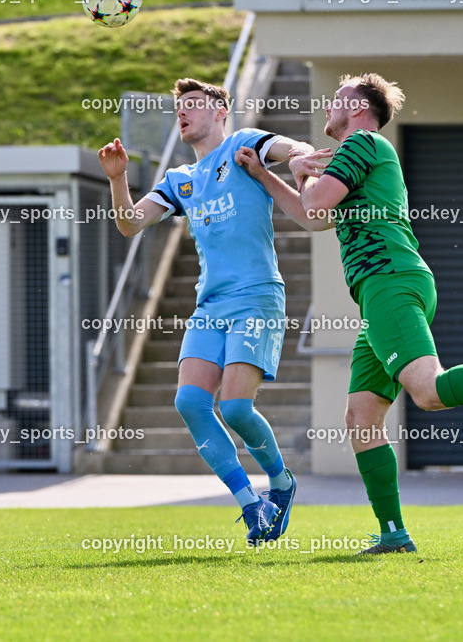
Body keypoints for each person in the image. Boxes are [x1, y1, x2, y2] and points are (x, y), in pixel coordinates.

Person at [241, 73, 463, 554]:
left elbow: (314, 201)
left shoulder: (363, 143)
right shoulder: (355, 155)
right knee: (360, 418)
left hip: (389, 282)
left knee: (428, 391)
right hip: (382, 290)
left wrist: (300, 169)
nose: (328, 107)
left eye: (337, 100)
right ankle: (393, 533)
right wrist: (267, 174)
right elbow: (313, 216)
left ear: (358, 108)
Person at [97, 78, 312, 545]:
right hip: (210, 304)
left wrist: (299, 156)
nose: (184, 112)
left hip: (256, 297)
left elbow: (290, 145)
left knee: (235, 407)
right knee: (190, 402)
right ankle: (250, 504)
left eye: (195, 104)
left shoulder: (242, 144)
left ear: (220, 112)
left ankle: (280, 482)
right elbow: (130, 224)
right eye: (180, 107)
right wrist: (117, 179)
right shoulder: (180, 180)